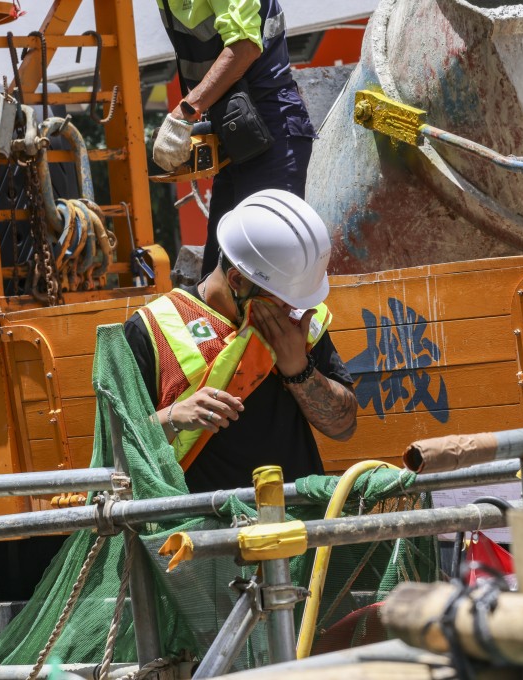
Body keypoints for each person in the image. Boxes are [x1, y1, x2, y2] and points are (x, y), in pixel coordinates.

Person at [124, 189, 356, 492]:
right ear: (237, 281)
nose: (291, 308)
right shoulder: (151, 329)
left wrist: (298, 369)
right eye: (282, 299)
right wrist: (173, 416)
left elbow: (344, 427)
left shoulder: (299, 322)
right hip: (199, 531)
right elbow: (118, 451)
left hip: (299, 526)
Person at [152, 0, 316, 277]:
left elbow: (245, 47)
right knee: (218, 279)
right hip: (237, 130)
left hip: (270, 127)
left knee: (265, 273)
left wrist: (185, 113)